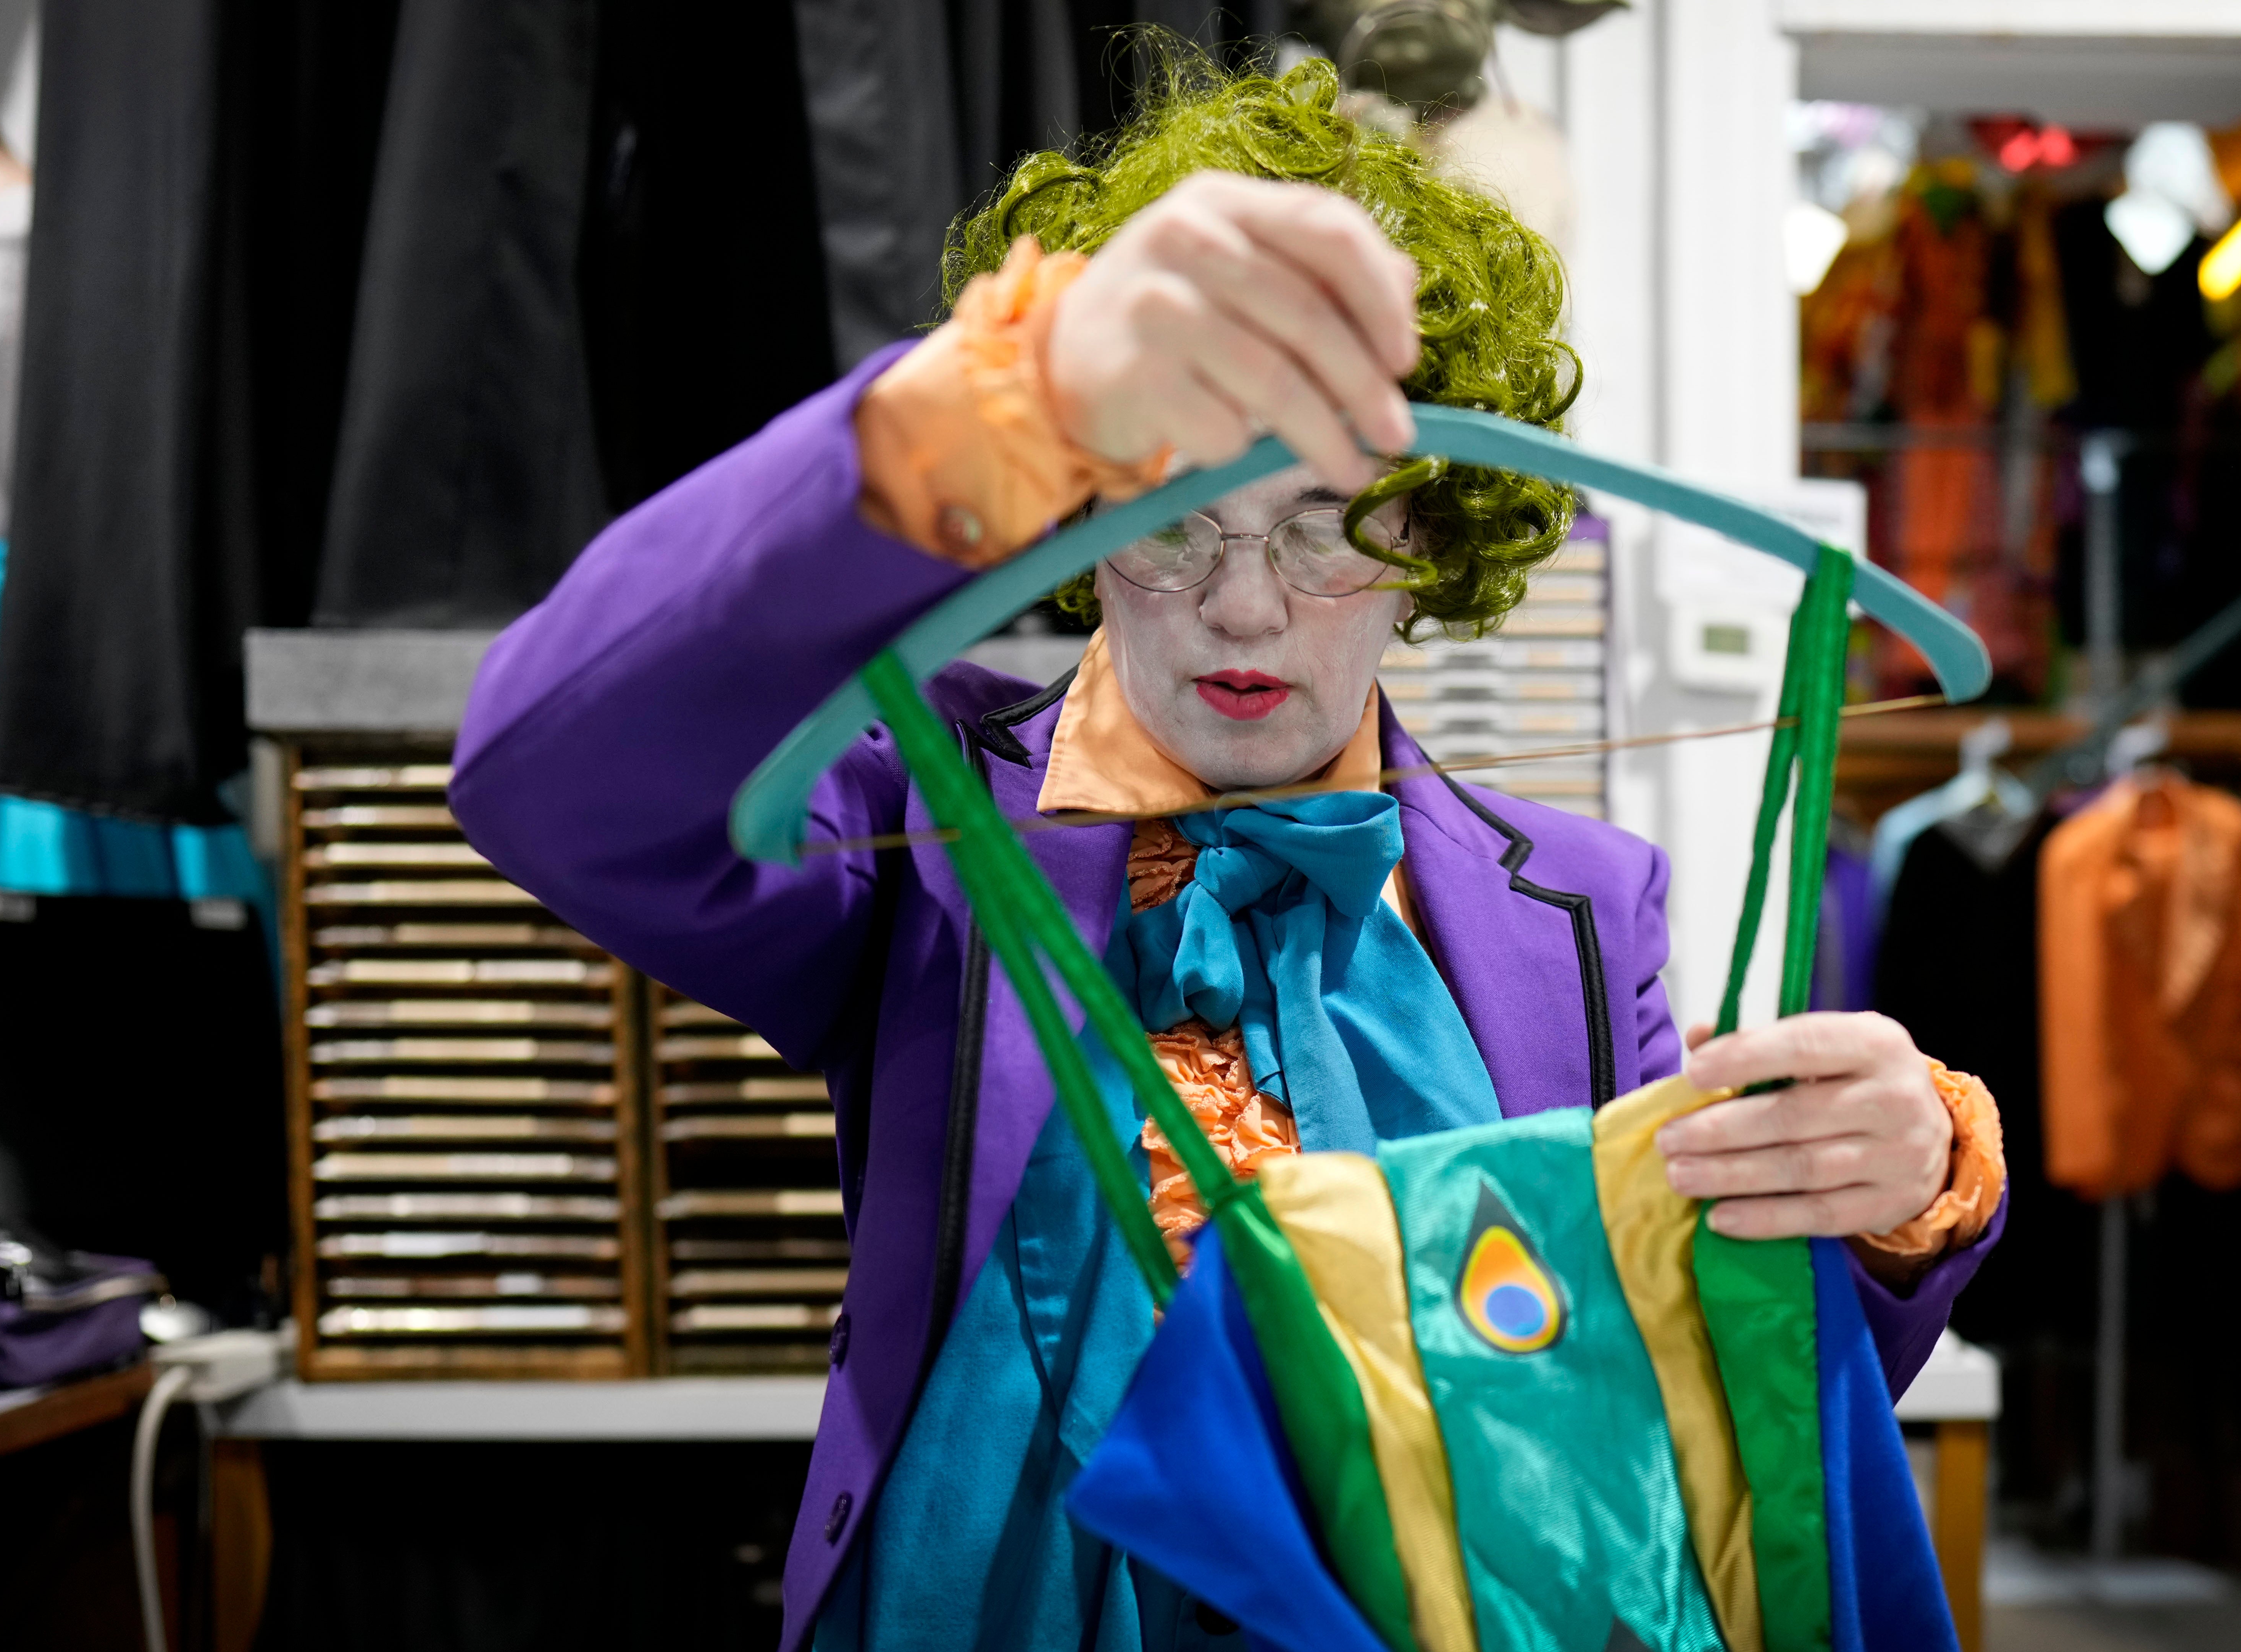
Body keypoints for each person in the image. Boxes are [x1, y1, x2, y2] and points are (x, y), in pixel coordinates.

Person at [451, 51, 2003, 1652]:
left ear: (1434, 537)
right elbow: (546, 776)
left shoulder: (1585, 912)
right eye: (1170, 516)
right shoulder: (924, 835)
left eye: (1329, 523)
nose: (1244, 607)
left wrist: (1898, 1190)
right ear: (1071, 516)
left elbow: (1672, 1382)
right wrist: (991, 405)